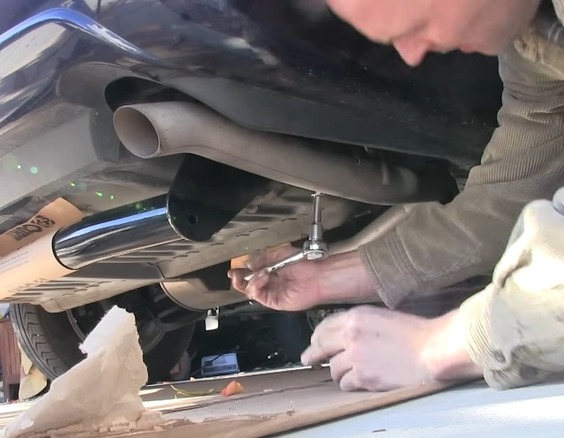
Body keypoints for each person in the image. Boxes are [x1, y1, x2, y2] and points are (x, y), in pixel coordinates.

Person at [229, 0, 564, 392]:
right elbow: (505, 196)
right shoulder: (532, 40)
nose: (412, 53)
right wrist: (332, 275)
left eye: (413, 27)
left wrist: (442, 346)